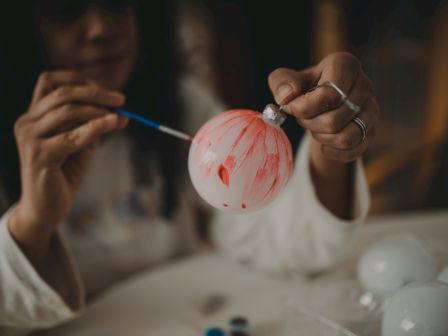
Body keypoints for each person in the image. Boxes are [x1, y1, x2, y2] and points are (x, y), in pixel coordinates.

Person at [0, 0, 376, 334]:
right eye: (67, 9)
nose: (100, 28)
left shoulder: (180, 103)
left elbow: (281, 241)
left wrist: (331, 143)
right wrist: (33, 221)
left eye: (117, 3)